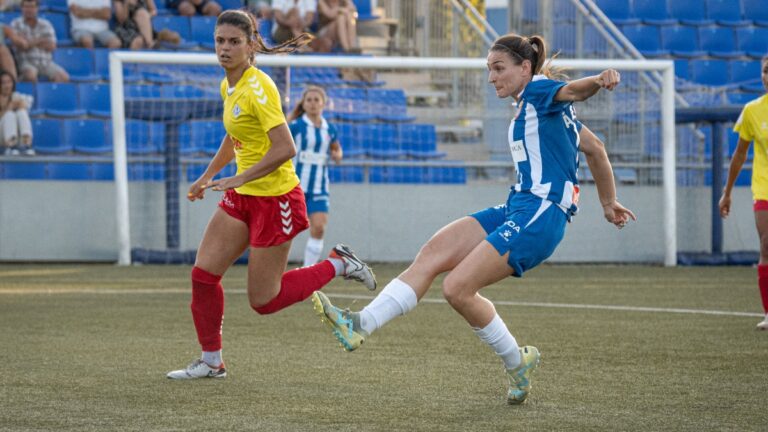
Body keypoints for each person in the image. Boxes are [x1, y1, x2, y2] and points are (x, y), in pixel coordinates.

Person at [311, 33, 636, 404]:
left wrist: (597, 80)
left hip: (542, 213)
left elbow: (574, 91)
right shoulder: (542, 110)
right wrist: (608, 203)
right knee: (434, 253)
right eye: (489, 69)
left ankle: (515, 361)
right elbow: (596, 148)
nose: (491, 77)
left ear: (525, 68)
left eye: (498, 68)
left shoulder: (539, 90)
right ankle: (361, 325)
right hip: (519, 206)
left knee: (457, 288)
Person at [166, 9, 377, 380]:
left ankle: (338, 263)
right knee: (203, 276)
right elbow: (237, 138)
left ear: (251, 45)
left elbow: (285, 148)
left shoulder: (258, 86)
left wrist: (237, 178)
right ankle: (211, 361)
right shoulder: (228, 85)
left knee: (263, 301)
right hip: (243, 196)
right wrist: (207, 177)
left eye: (234, 42)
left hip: (275, 200)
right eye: (220, 41)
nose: (225, 49)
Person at [719, 55, 768, 332]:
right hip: (764, 187)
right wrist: (727, 193)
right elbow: (740, 154)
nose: (767, 76)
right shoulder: (752, 111)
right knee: (766, 244)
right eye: (765, 71)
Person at [287, 85, 343, 266]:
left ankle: (307, 270)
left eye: (316, 100)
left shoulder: (330, 129)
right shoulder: (295, 126)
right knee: (286, 230)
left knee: (319, 228)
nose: (312, 103)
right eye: (308, 100)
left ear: (323, 104)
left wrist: (338, 155)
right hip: (294, 186)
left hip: (319, 186)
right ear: (303, 104)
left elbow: (336, 148)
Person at [9, 0, 68, 82]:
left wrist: (29, 42)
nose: (29, 10)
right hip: (26, 62)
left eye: (32, 7)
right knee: (30, 76)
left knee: (63, 77)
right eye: (26, 7)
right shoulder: (15, 24)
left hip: (46, 62)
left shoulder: (46, 24)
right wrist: (41, 41)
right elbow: (21, 45)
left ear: (37, 8)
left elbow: (52, 46)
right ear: (21, 8)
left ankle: (49, 94)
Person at [0, 69, 33, 156]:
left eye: (9, 82)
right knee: (9, 115)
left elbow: (28, 104)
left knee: (21, 112)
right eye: (3, 83)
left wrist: (22, 105)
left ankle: (26, 144)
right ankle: (10, 147)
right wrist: (8, 108)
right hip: (2, 136)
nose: (7, 86)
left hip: (17, 136)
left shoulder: (17, 96)